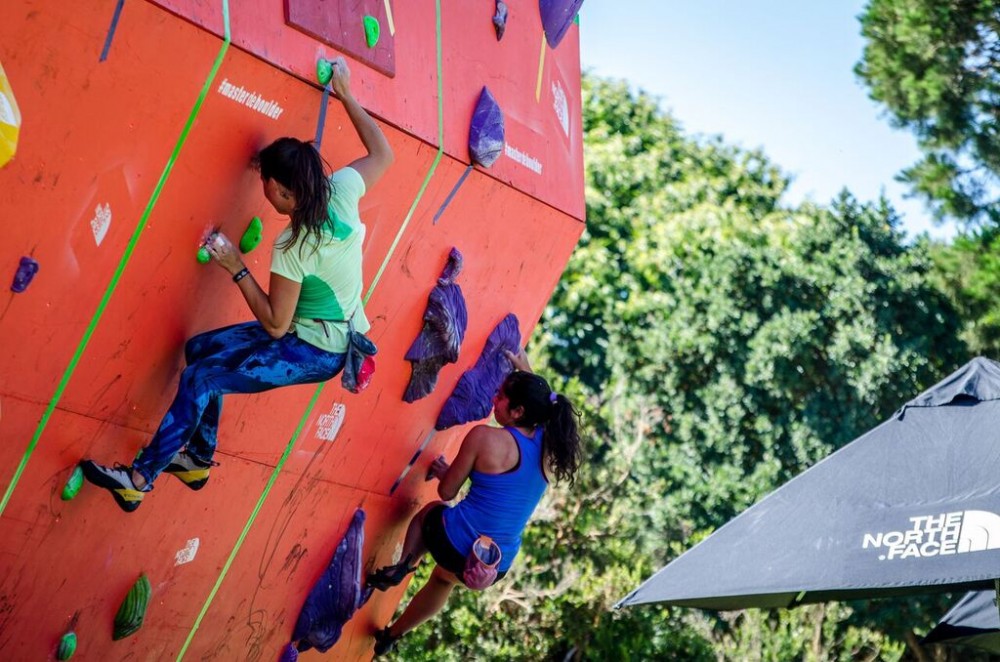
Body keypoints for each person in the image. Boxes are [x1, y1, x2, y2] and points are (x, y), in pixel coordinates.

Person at [81, 57, 393, 512]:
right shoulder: (342, 190)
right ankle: (198, 459)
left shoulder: (293, 246)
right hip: (325, 330)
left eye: (267, 183)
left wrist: (235, 264)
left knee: (201, 377)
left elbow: (273, 323)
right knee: (201, 351)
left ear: (287, 195)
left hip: (314, 351)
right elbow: (383, 154)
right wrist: (346, 94)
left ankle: (139, 478)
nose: (264, 188)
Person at [366, 347, 582, 656]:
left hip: (455, 543)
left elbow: (447, 493)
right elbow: (542, 406)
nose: (495, 398)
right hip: (494, 565)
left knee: (432, 512)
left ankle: (403, 565)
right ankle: (391, 636)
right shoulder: (550, 450)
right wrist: (529, 375)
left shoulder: (485, 437)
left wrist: (449, 473)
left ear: (518, 411)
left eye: (502, 397)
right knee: (443, 581)